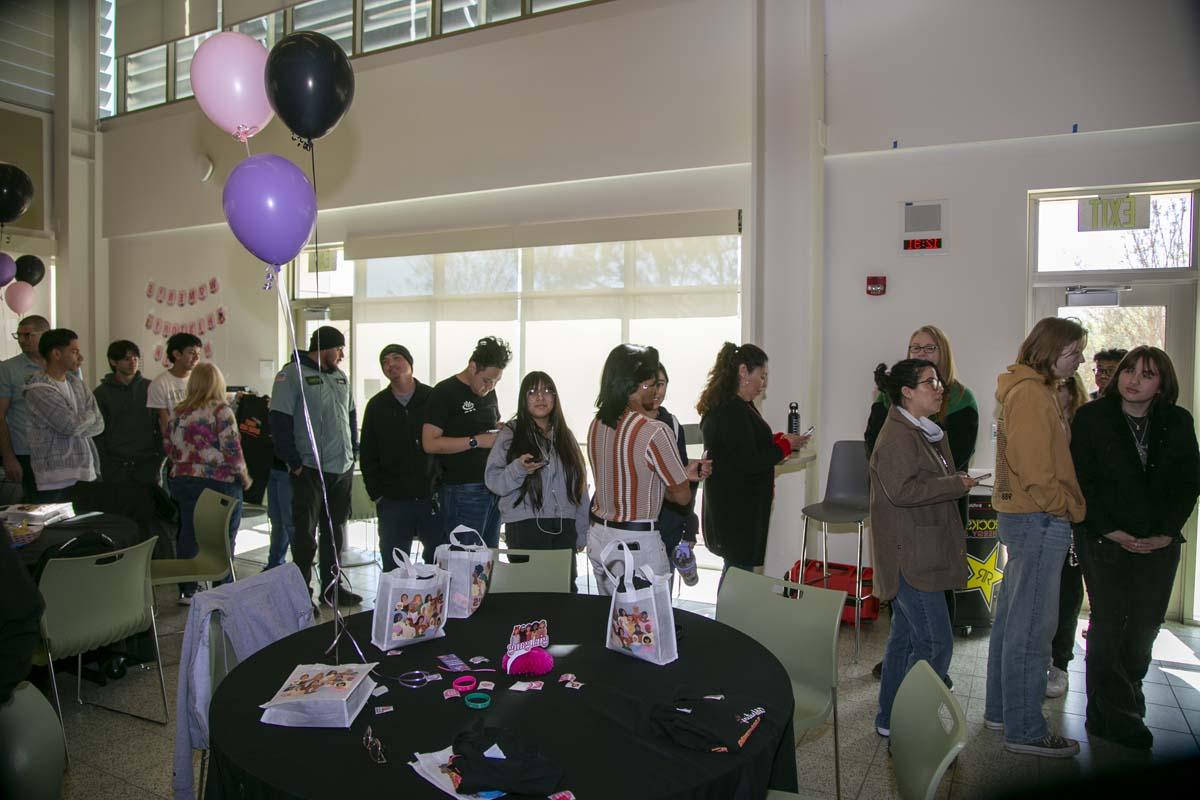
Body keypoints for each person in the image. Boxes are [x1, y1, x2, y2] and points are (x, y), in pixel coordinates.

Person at [1070, 346, 1199, 749]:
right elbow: (1081, 479)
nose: (1132, 380)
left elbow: (1188, 482)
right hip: (1104, 538)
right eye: (1129, 371)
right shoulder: (1092, 417)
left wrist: (1165, 532)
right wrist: (1109, 529)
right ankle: (1113, 713)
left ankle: (1125, 697)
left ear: (1162, 384)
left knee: (1145, 624)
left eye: (1146, 374)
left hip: (1159, 540)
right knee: (1110, 622)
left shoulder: (1177, 421)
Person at [985, 316, 1087, 758]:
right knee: (1031, 628)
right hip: (1039, 518)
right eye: (1073, 351)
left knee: (1013, 621)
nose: (1080, 359)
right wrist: (1060, 505)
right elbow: (1033, 464)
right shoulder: (1030, 392)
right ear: (1048, 351)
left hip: (1030, 517)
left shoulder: (1027, 388)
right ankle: (1024, 728)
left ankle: (1001, 711)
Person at [868, 359, 978, 737]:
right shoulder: (898, 436)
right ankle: (916, 727)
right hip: (911, 557)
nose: (939, 388)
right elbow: (903, 491)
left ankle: (890, 718)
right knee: (935, 644)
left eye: (939, 381)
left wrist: (952, 479)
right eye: (930, 382)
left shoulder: (925, 431)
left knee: (903, 638)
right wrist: (954, 484)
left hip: (921, 550)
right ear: (907, 392)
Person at [587, 344, 707, 594]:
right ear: (628, 386)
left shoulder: (597, 424)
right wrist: (678, 476)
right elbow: (682, 496)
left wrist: (669, 476)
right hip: (637, 544)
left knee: (612, 623)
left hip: (600, 537)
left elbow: (622, 475)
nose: (655, 391)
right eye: (649, 384)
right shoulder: (654, 430)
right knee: (649, 627)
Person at [269, 326, 361, 606]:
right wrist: (294, 463)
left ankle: (332, 589)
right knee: (305, 536)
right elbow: (279, 420)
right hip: (309, 469)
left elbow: (351, 416)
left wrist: (353, 452)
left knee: (334, 534)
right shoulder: (292, 374)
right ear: (325, 347)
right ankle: (301, 594)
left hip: (341, 469)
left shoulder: (340, 377)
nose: (343, 355)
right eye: (339, 349)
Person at [698, 343, 806, 576]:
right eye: (762, 376)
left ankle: (730, 614)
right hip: (736, 510)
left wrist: (778, 440)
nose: (763, 384)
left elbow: (745, 444)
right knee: (738, 575)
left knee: (737, 573)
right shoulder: (731, 411)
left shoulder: (735, 407)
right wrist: (785, 445)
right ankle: (728, 615)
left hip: (734, 506)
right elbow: (751, 461)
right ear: (744, 371)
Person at [485, 371, 590, 592]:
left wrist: (582, 529)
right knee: (529, 595)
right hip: (525, 526)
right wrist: (518, 469)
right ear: (524, 399)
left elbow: (580, 485)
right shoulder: (511, 433)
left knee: (565, 592)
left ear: (555, 397)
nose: (540, 397)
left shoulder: (566, 436)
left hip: (564, 526)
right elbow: (493, 481)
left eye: (547, 391)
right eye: (532, 392)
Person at [165, 363, 251, 602]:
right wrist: (244, 476)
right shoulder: (221, 411)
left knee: (188, 534)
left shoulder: (178, 411)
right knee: (222, 535)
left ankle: (187, 589)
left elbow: (168, 446)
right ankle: (222, 585)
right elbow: (232, 450)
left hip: (183, 479)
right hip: (218, 481)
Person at [422, 336, 511, 548]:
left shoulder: (490, 393)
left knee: (488, 556)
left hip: (492, 485)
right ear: (473, 367)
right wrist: (476, 441)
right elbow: (430, 443)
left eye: (496, 381)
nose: (490, 386)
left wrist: (500, 428)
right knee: (465, 558)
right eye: (487, 380)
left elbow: (487, 422)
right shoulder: (444, 393)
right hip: (463, 489)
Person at [360, 344, 439, 569]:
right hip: (393, 501)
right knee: (394, 565)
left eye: (396, 358)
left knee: (437, 563)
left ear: (410, 363)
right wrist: (377, 494)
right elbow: (368, 454)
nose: (391, 364)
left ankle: (434, 604)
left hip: (431, 498)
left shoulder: (433, 398)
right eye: (385, 361)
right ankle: (395, 605)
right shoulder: (376, 405)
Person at [1046, 372, 1089, 698]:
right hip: (1040, 523)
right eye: (1055, 388)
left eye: (1065, 388)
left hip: (1075, 525)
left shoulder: (1087, 428)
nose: (1059, 394)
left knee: (1068, 596)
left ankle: (1060, 663)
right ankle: (1041, 659)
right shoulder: (1040, 424)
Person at [23, 328, 104, 501]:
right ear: (56, 354)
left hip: (84, 470)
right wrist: (89, 415)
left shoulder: (77, 384)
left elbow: (100, 425)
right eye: (74, 352)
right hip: (55, 475)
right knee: (56, 526)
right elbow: (70, 426)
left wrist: (83, 420)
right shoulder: (38, 389)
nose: (80, 357)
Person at [646, 363, 700, 575]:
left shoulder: (672, 423)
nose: (657, 391)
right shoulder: (627, 425)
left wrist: (688, 524)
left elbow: (681, 474)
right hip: (638, 525)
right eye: (651, 385)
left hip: (669, 522)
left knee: (662, 593)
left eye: (661, 384)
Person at [93, 340, 162, 485]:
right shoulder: (101, 393)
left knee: (148, 506)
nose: (132, 362)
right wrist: (102, 464)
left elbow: (161, 424)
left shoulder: (151, 388)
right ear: (113, 362)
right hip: (115, 466)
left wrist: (159, 457)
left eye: (135, 358)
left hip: (148, 463)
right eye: (126, 359)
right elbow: (98, 434)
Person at [0, 314, 50, 500]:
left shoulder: (61, 363)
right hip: (25, 451)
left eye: (28, 335)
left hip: (59, 452)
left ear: (45, 335)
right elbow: (0, 416)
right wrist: (8, 457)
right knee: (31, 509)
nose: (22, 340)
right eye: (18, 335)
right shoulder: (8, 368)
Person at [148, 332, 202, 437]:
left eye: (199, 354)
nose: (196, 358)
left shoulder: (201, 380)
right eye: (192, 353)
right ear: (177, 354)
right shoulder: (159, 384)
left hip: (200, 441)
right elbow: (165, 424)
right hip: (176, 442)